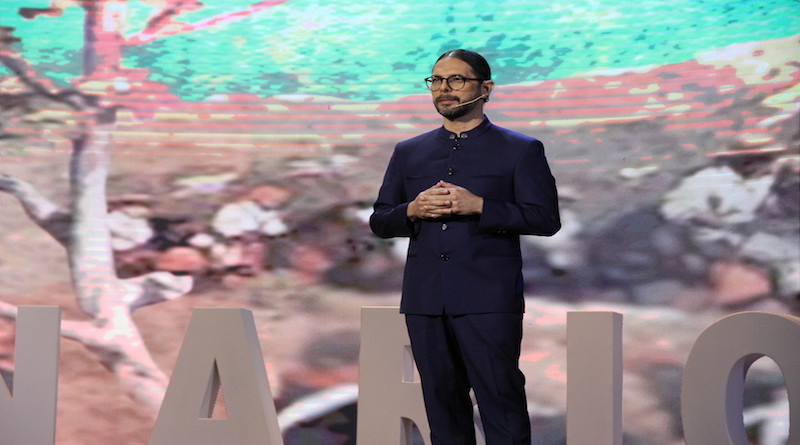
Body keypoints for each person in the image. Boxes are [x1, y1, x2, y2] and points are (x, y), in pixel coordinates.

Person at [369, 49, 561, 444]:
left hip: (488, 297)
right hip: (425, 299)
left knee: (501, 403)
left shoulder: (520, 149)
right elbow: (380, 220)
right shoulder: (409, 151)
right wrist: (412, 209)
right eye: (437, 80)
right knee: (442, 408)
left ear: (485, 88)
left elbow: (545, 218)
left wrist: (482, 207)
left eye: (456, 80)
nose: (444, 89)